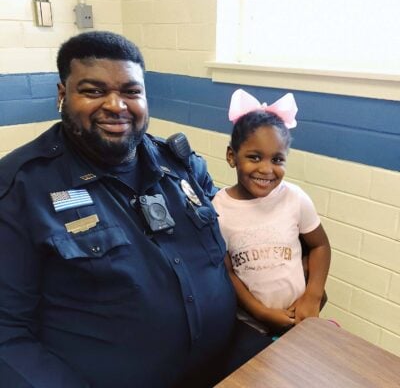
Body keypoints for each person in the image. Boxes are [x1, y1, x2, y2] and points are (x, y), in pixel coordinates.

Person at [0, 31, 238, 388]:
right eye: (94, 91)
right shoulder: (21, 188)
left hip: (230, 370)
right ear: (62, 95)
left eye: (131, 91)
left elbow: (232, 237)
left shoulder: (182, 165)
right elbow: (7, 333)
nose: (116, 105)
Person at [212, 89, 331, 348]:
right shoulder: (218, 208)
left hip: (299, 318)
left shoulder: (295, 198)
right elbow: (227, 272)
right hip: (249, 326)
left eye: (277, 159)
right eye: (254, 157)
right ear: (232, 156)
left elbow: (320, 246)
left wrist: (313, 294)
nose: (267, 169)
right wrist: (259, 311)